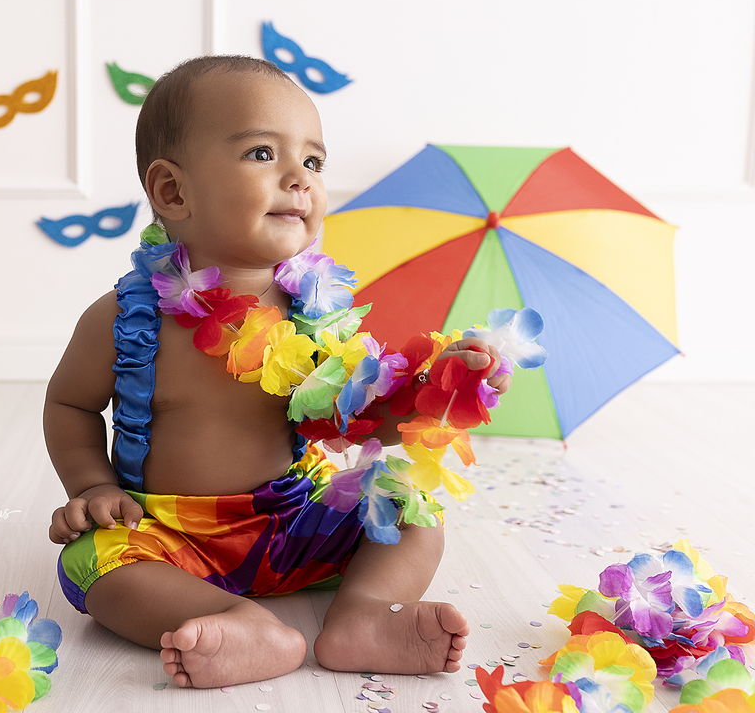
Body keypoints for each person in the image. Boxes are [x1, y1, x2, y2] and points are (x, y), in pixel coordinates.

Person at [44, 55, 511, 689]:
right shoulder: (127, 318)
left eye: (314, 162)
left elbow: (365, 418)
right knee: (90, 563)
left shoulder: (319, 316)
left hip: (293, 520)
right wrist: (93, 485)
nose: (299, 178)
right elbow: (69, 406)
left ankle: (363, 615)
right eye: (263, 153)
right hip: (168, 534)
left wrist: (443, 391)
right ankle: (231, 620)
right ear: (173, 192)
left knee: (407, 505)